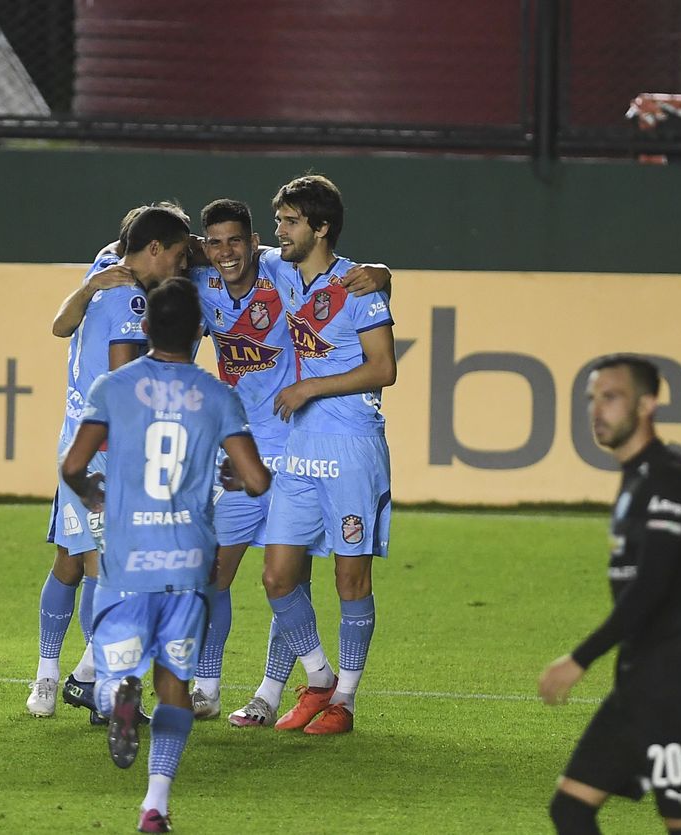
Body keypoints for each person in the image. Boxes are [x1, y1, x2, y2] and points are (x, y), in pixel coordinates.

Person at [61, 277, 270, 833]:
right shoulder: (217, 396)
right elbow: (255, 480)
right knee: (174, 687)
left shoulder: (113, 387)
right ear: (199, 330)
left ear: (147, 327)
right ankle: (155, 805)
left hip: (127, 558)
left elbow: (73, 466)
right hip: (187, 564)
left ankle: (118, 695)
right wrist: (226, 474)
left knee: (112, 673)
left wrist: (98, 499)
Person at [186, 198, 391, 725]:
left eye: (237, 241)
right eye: (216, 244)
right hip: (243, 451)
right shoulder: (210, 281)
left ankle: (274, 692)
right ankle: (210, 686)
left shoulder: (284, 271)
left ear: (255, 243)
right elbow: (171, 251)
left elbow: (363, 315)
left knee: (300, 579)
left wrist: (383, 273)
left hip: (309, 443)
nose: (226, 252)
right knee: (224, 572)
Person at [539, 355, 681, 834]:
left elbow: (652, 588)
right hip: (640, 683)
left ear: (646, 405)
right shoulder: (637, 477)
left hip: (677, 687)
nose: (597, 410)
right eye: (593, 399)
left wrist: (579, 659)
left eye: (611, 397)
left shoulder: (668, 477)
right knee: (570, 808)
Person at [26, 205, 192, 721]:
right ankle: (101, 690)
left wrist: (87, 287)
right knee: (108, 573)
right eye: (179, 257)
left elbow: (60, 325)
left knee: (71, 562)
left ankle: (59, 676)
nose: (183, 268)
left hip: (77, 443)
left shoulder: (106, 264)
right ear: (155, 249)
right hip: (104, 454)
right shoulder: (132, 300)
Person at [257, 174, 397, 736]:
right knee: (277, 576)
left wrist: (310, 388)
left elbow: (384, 368)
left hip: (352, 446)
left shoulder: (359, 287)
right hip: (301, 448)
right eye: (279, 220)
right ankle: (319, 678)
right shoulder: (282, 270)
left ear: (320, 228)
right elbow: (226, 251)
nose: (279, 231)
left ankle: (345, 702)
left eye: (290, 222)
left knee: (349, 579)